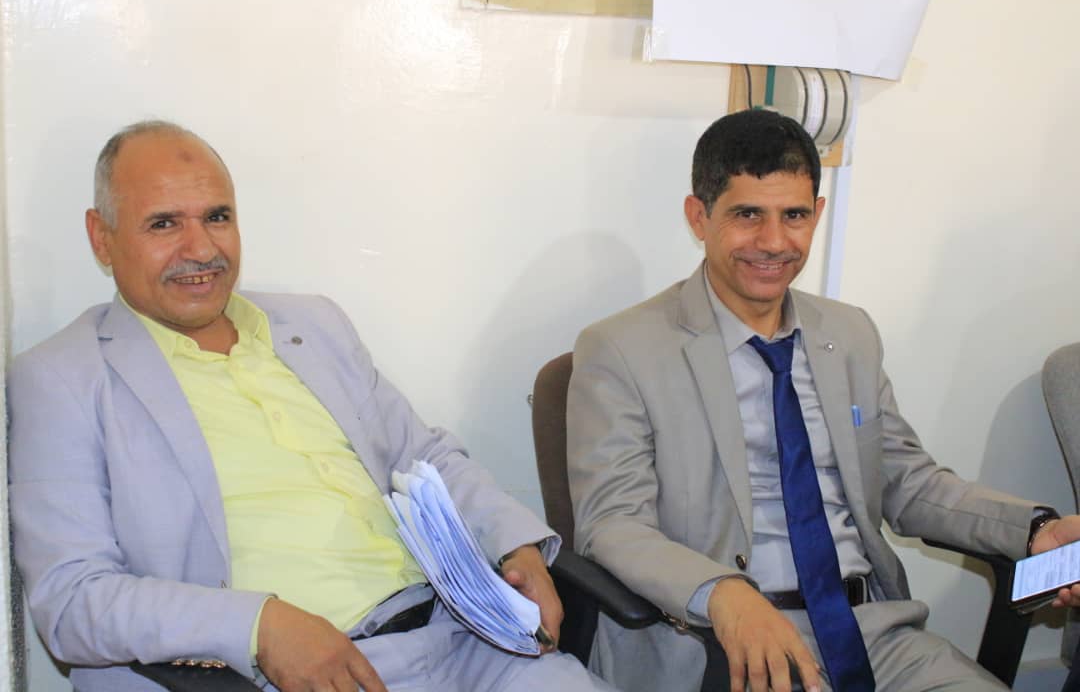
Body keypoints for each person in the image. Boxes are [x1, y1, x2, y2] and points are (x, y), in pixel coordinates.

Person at [8, 120, 615, 692]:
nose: (200, 248)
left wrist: (513, 545)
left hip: (462, 638)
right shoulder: (62, 378)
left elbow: (423, 455)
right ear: (102, 237)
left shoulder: (312, 324)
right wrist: (259, 625)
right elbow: (72, 599)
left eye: (217, 217)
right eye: (164, 224)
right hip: (284, 676)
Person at [565, 109, 1080, 692]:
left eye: (794, 216)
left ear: (818, 213)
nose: (774, 242)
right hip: (720, 644)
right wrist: (723, 594)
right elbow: (612, 525)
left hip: (871, 632)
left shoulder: (849, 333)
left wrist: (1035, 529)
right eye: (747, 215)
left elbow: (908, 482)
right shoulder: (622, 349)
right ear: (699, 216)